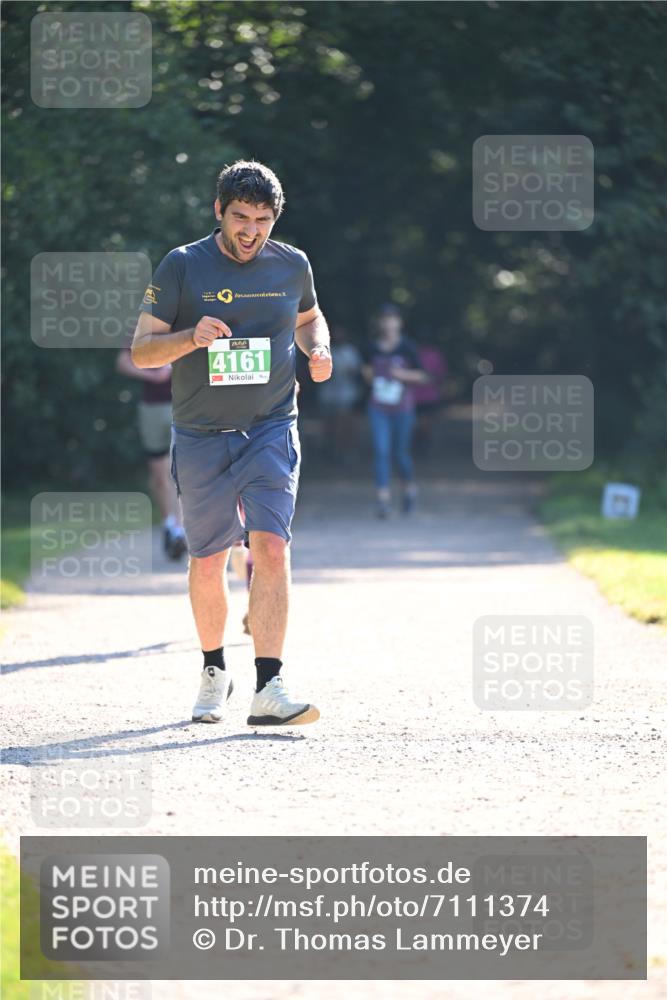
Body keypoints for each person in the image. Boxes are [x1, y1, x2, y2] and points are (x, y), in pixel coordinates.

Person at [131, 160, 332, 727]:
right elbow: (141, 351)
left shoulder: (292, 264)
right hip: (200, 434)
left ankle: (269, 684)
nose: (250, 231)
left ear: (275, 219)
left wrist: (318, 350)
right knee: (207, 559)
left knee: (270, 546)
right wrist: (188, 338)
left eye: (262, 220)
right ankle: (215, 669)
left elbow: (311, 319)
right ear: (218, 212)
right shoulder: (183, 265)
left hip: (271, 425)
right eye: (240, 217)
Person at [115, 350, 187, 559]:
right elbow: (122, 362)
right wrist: (151, 374)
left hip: (183, 406)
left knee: (179, 471)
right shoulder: (145, 326)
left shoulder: (194, 319)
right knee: (159, 476)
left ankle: (179, 531)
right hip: (153, 408)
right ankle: (169, 525)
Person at [361, 304, 428, 518]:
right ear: (380, 323)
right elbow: (365, 371)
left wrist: (402, 375)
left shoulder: (408, 347)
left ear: (399, 323)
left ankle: (409, 490)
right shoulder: (371, 347)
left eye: (393, 319)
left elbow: (423, 376)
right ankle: (384, 500)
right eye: (385, 319)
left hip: (402, 408)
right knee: (381, 452)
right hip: (378, 407)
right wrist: (368, 375)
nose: (389, 324)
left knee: (400, 454)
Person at [317, 325, 364, 465]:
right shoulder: (325, 350)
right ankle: (331, 452)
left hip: (346, 395)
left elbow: (357, 372)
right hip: (328, 395)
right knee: (329, 426)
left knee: (345, 425)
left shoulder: (350, 351)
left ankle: (345, 452)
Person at [412, 332, 448, 457]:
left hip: (419, 396)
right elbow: (441, 375)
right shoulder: (435, 354)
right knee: (425, 423)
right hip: (427, 396)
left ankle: (421, 443)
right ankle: (423, 443)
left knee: (420, 422)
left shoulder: (415, 353)